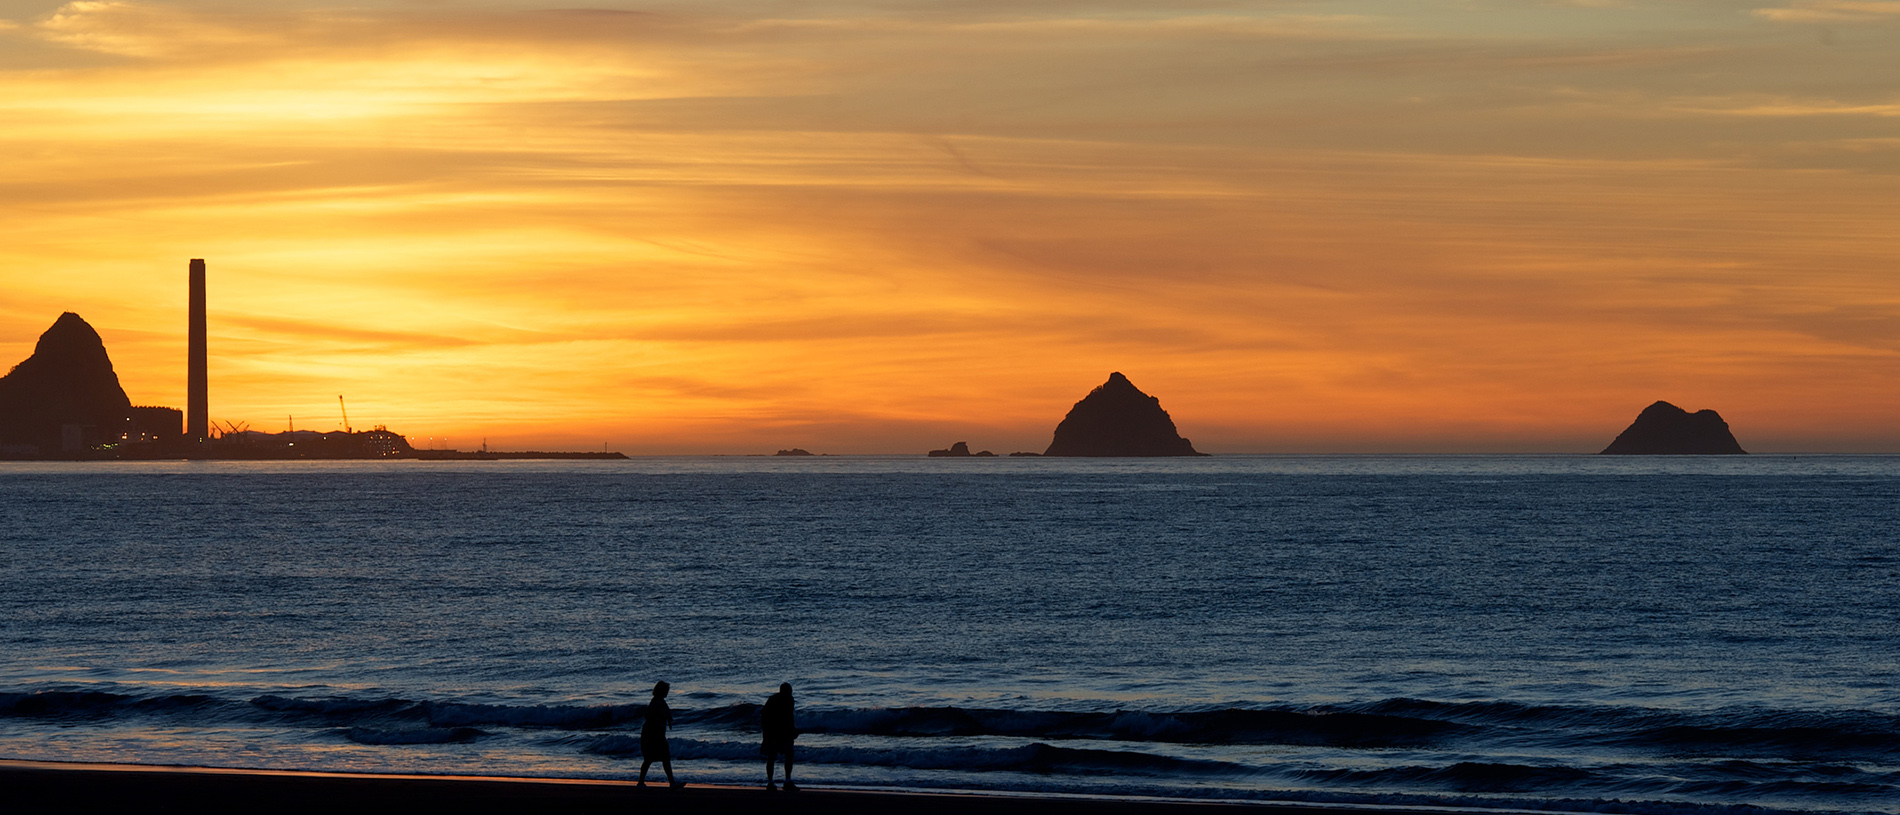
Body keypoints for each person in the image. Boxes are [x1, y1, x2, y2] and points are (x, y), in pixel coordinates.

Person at [638, 681, 683, 789]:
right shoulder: (656, 702)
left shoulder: (659, 702)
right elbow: (649, 716)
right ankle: (641, 783)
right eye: (666, 690)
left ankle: (671, 783)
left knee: (658, 758)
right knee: (652, 758)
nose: (667, 692)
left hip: (655, 734)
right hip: (653, 734)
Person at [760, 682, 798, 792]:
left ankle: (780, 781)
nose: (790, 694)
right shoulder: (779, 700)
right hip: (775, 733)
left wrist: (793, 730)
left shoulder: (785, 700)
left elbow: (789, 717)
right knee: (777, 757)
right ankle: (777, 781)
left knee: (784, 756)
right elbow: (765, 716)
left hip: (780, 733)